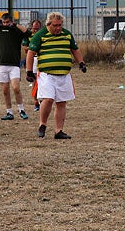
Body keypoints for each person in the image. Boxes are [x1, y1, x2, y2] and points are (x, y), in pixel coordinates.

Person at [25, 11, 86, 139]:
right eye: (55, 25)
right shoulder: (40, 35)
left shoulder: (67, 34)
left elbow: (75, 49)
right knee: (48, 99)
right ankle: (43, 124)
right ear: (48, 24)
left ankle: (58, 131)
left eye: (60, 25)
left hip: (64, 74)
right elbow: (30, 53)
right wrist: (29, 71)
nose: (58, 28)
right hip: (47, 74)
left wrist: (81, 63)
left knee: (61, 102)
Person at [0, 13, 31, 121]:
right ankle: (9, 112)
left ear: (11, 21)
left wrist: (15, 25)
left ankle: (21, 110)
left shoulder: (16, 31)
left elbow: (28, 33)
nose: (5, 24)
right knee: (5, 90)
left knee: (16, 87)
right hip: (1, 64)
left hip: (14, 65)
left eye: (7, 22)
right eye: (3, 22)